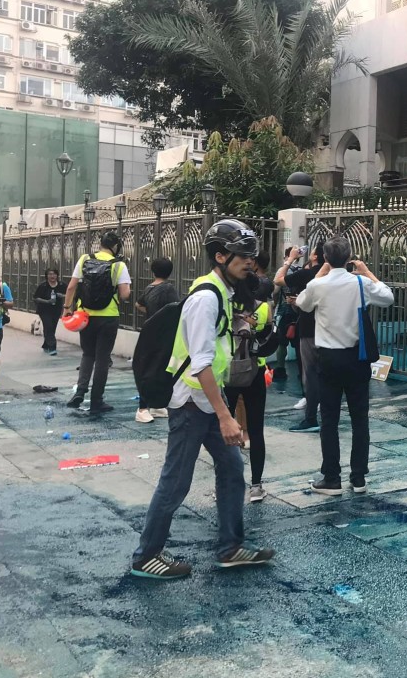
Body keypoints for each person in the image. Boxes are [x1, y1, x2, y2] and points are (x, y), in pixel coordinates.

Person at [130, 219, 274, 579]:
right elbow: (201, 364)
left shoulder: (222, 294)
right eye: (242, 256)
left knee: (231, 469)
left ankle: (230, 547)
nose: (248, 263)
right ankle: (147, 555)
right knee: (175, 481)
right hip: (192, 403)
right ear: (220, 256)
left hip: (208, 402)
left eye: (250, 257)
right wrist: (227, 416)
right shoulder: (207, 298)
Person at [296, 237, 394, 496]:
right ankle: (359, 477)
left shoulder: (318, 284)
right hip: (357, 358)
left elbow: (302, 303)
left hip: (328, 358)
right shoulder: (360, 283)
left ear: (326, 258)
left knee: (329, 419)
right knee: (360, 419)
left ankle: (331, 478)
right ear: (350, 257)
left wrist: (320, 273)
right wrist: (367, 272)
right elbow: (388, 297)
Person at [224, 251, 275, 504]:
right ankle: (256, 486)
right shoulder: (263, 308)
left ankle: (225, 484)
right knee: (256, 430)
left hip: (227, 372)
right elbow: (269, 339)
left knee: (225, 430)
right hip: (255, 371)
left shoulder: (226, 307)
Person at [63, 230, 131, 414]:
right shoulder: (119, 265)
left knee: (88, 354)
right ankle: (96, 400)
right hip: (108, 317)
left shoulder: (85, 258)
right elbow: (125, 294)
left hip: (85, 316)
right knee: (102, 359)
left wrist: (67, 308)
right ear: (115, 246)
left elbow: (71, 286)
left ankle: (80, 391)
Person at [274, 244, 323, 432]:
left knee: (309, 373)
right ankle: (326, 411)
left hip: (309, 328)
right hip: (330, 331)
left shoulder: (308, 275)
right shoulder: (344, 278)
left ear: (317, 256)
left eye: (312, 252)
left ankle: (311, 416)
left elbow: (278, 280)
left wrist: (290, 259)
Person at [134, 257, 180, 423]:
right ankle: (142, 408)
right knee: (157, 370)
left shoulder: (149, 288)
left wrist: (151, 313)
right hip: (163, 334)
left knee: (152, 368)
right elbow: (176, 309)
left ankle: (155, 406)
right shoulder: (168, 289)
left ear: (153, 271)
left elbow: (138, 305)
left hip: (149, 331)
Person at [271, 247, 299, 382]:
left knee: (282, 343)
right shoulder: (302, 271)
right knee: (299, 342)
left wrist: (275, 304)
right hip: (299, 310)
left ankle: (280, 369)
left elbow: (275, 291)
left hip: (284, 311)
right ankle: (302, 369)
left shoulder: (283, 271)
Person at [33, 268, 66, 356]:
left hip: (56, 310)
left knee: (51, 328)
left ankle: (46, 345)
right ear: (47, 276)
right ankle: (52, 347)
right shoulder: (43, 286)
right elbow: (36, 297)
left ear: (57, 275)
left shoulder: (62, 285)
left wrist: (62, 296)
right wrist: (47, 301)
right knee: (48, 326)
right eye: (50, 274)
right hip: (44, 310)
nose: (52, 276)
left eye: (54, 274)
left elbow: (70, 294)